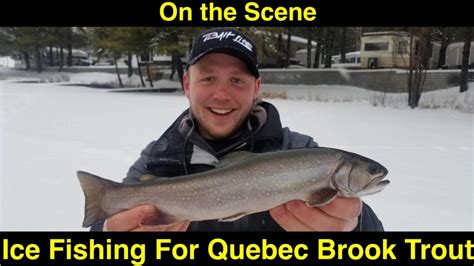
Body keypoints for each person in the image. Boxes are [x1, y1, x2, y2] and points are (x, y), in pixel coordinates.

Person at [90, 28, 384, 232]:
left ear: (256, 89)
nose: (221, 94)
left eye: (237, 81)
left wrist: (353, 227)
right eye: (207, 79)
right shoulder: (158, 158)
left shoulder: (298, 150)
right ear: (186, 85)